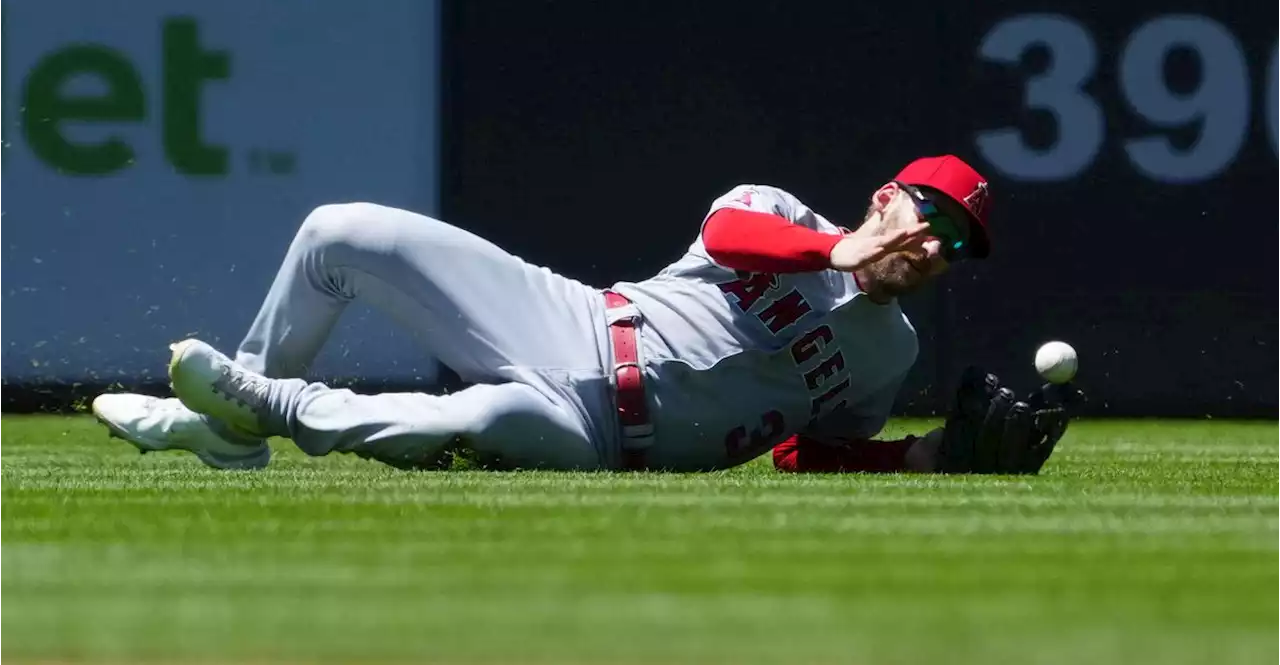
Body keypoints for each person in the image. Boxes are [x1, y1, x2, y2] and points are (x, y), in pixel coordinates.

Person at [92, 154, 1079, 474]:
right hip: (565, 319)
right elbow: (732, 237)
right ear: (882, 197)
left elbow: (798, 451)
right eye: (926, 216)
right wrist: (834, 253)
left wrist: (922, 455)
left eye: (953, 244)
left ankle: (260, 404)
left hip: (598, 435)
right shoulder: (780, 215)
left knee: (472, 423)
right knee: (340, 232)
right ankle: (231, 433)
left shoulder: (886, 351)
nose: (931, 244)